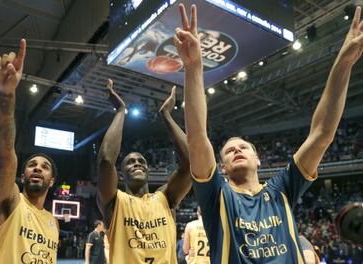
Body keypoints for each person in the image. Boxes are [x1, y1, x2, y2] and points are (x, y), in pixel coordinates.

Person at [174, 3, 363, 263]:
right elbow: (196, 138)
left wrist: (344, 62)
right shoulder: (217, 196)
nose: (237, 149)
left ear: (258, 159)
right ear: (223, 168)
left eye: (244, 147)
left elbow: (322, 135)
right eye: (229, 150)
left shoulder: (281, 189)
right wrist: (194, 66)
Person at [97, 80, 191, 263]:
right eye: (130, 162)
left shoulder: (165, 198)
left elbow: (190, 163)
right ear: (122, 174)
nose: (137, 163)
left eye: (141, 161)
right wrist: (120, 111)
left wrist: (166, 115)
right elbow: (106, 160)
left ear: (148, 170)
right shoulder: (115, 201)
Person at [0, 39, 59, 263]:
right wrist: (8, 95)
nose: (38, 168)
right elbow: (5, 157)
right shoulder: (10, 201)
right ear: (22, 175)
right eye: (32, 165)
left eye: (45, 167)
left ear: (52, 181)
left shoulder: (53, 223)